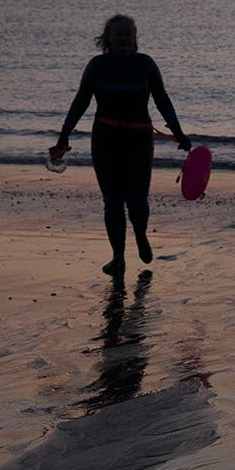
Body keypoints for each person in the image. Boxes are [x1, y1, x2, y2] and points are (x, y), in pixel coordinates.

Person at [53, 14, 191, 276]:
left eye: (129, 34)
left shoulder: (146, 64)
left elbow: (162, 99)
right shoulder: (96, 66)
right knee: (113, 201)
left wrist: (179, 132)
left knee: (137, 199)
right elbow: (80, 101)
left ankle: (140, 234)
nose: (124, 39)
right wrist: (64, 134)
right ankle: (118, 257)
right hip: (105, 141)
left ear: (135, 39)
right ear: (108, 40)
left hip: (138, 142)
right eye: (119, 35)